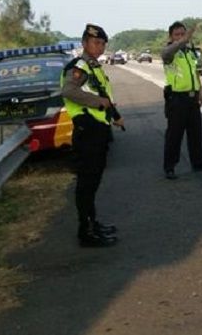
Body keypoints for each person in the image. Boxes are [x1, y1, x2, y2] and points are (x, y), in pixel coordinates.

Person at [61, 23, 125, 247]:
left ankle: (92, 223)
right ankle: (85, 233)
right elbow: (69, 91)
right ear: (84, 43)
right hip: (87, 132)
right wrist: (99, 102)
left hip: (98, 131)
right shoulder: (79, 67)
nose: (100, 47)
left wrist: (113, 115)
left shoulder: (94, 66)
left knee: (93, 182)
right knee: (87, 184)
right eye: (96, 42)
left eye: (103, 43)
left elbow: (102, 94)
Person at [161, 21, 202, 179]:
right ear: (170, 36)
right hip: (177, 99)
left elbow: (195, 73)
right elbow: (166, 54)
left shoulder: (189, 52)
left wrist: (200, 91)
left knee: (195, 133)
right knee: (174, 135)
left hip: (192, 97)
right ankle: (170, 167)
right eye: (177, 34)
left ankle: (198, 162)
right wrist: (183, 40)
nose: (180, 37)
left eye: (183, 34)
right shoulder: (169, 53)